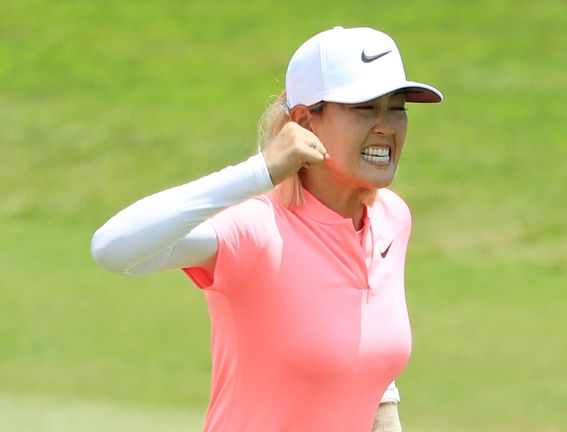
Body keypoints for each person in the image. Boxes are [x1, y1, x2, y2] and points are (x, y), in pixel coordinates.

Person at [91, 26, 442, 431]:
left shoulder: (392, 219)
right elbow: (111, 247)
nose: (386, 125)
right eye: (364, 107)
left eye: (397, 107)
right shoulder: (256, 230)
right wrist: (259, 171)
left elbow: (371, 370)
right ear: (304, 121)